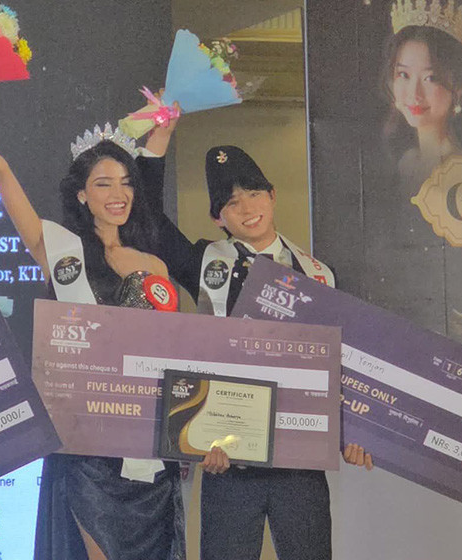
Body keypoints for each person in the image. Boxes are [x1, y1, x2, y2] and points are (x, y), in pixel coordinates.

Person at [0, 67, 183, 560]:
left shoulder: (154, 265)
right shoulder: (58, 248)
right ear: (82, 194)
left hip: (148, 448)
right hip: (87, 449)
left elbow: (171, 353)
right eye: (103, 183)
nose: (118, 194)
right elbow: (0, 171)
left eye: (125, 183)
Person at [136, 120, 373, 560]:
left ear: (273, 195)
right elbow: (148, 218)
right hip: (226, 459)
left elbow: (344, 366)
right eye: (231, 202)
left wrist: (356, 433)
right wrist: (159, 139)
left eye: (253, 193)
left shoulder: (319, 274)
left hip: (299, 463)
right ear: (217, 217)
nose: (246, 207)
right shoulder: (205, 262)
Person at [381, 0, 462, 185]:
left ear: (458, 87)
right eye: (403, 74)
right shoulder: (409, 161)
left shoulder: (457, 168)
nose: (414, 93)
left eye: (431, 78)